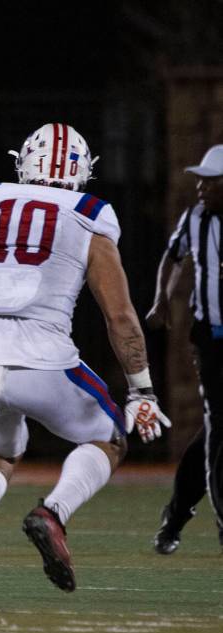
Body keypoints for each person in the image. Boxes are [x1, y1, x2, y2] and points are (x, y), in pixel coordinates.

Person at [0, 123, 170, 613]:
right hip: (43, 357)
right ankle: (53, 513)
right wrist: (142, 389)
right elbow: (120, 317)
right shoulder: (89, 219)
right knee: (110, 437)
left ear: (24, 165)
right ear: (82, 171)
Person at [147, 145, 223, 554]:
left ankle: (175, 515)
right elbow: (174, 257)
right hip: (212, 339)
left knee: (216, 430)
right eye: (201, 178)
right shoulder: (195, 219)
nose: (200, 186)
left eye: (211, 180)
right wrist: (162, 299)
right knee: (220, 425)